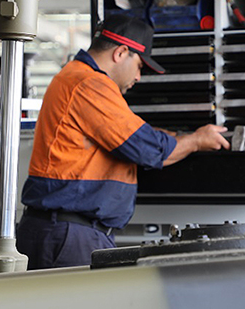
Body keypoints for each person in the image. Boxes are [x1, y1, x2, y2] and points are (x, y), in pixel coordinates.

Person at [16, 14, 229, 269]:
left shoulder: (76, 78)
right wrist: (196, 141)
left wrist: (175, 137)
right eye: (139, 65)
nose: (139, 77)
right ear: (121, 52)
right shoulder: (90, 84)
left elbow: (131, 132)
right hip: (70, 235)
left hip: (68, 231)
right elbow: (146, 148)